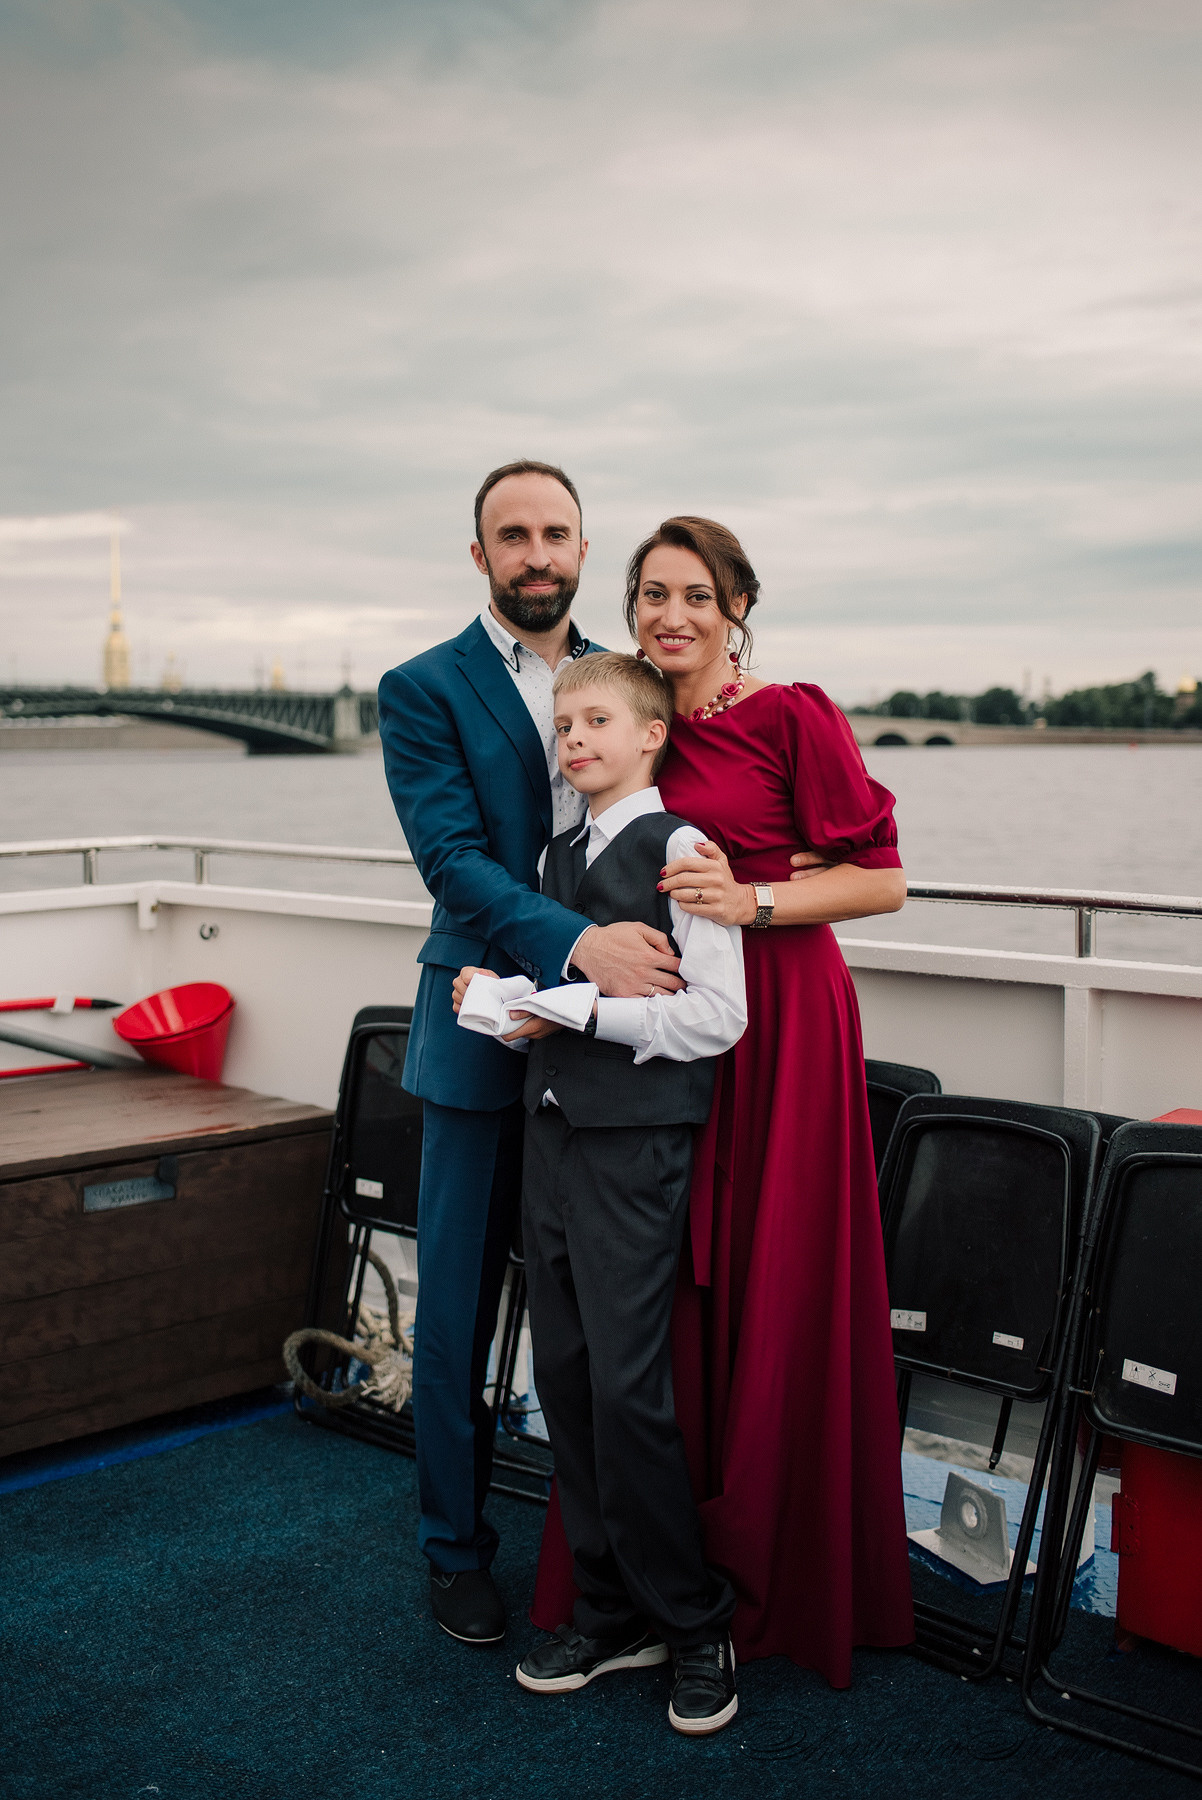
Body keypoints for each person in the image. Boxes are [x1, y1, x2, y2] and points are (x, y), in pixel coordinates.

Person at [532, 516, 915, 1689]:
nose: (671, 615)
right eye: (652, 594)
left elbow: (882, 883)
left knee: (770, 1282)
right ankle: (653, 1583)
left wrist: (751, 900)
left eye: (696, 595)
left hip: (781, 1025)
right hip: (658, 1051)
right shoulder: (633, 727)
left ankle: (767, 1576)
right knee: (665, 1307)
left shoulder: (790, 714)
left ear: (736, 607)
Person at [378, 464, 686, 1647]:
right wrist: (575, 945)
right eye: (512, 535)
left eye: (555, 531)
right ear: (480, 556)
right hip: (479, 1030)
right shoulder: (422, 687)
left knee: (595, 1317)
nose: (536, 552)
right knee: (457, 1311)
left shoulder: (628, 678)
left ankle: (600, 1559)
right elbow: (451, 861)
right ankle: (454, 1549)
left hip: (608, 1043)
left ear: (581, 547)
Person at [453, 651, 746, 1735]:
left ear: (651, 734)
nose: (573, 740)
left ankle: (695, 1620)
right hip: (553, 1138)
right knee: (566, 1381)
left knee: (628, 1390)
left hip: (634, 1149)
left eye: (595, 723)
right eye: (564, 726)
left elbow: (714, 1018)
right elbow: (560, 999)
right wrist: (504, 1003)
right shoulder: (552, 853)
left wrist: (573, 1010)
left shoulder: (682, 849)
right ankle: (610, 1610)